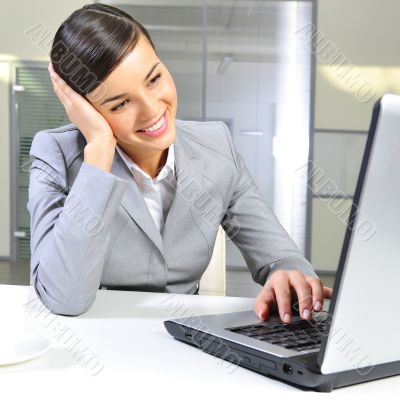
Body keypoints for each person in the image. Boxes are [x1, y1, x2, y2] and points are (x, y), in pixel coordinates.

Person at [28, 3, 332, 318]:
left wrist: (286, 273)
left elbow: (282, 257)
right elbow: (65, 298)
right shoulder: (56, 155)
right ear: (83, 111)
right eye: (120, 104)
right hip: (98, 339)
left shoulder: (216, 146)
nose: (152, 110)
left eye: (154, 78)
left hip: (190, 340)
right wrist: (99, 152)